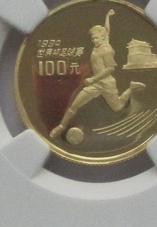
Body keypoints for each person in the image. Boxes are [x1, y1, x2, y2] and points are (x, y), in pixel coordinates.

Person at [50, 9, 145, 138]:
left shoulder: (106, 50)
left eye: (96, 38)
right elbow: (107, 29)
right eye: (92, 38)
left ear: (102, 37)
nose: (93, 40)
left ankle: (131, 87)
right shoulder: (103, 42)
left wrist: (93, 79)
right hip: (95, 85)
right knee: (75, 105)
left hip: (106, 84)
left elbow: (110, 69)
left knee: (118, 108)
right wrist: (107, 16)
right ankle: (61, 126)